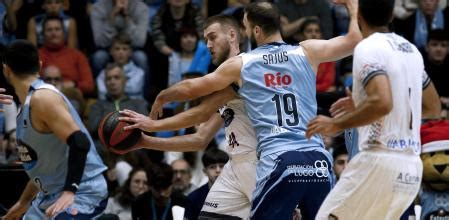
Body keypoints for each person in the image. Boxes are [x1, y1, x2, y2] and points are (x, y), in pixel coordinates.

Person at [143, 1, 361, 218]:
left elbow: (193, 90)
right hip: (317, 159)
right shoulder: (307, 50)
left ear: (256, 30)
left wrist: (162, 97)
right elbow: (354, 40)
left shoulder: (243, 64)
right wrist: (353, 8)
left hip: (277, 159)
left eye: (246, 27)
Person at [305, 0, 439, 219]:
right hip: (411, 169)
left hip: (379, 161)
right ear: (391, 17)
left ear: (359, 18)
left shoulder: (367, 48)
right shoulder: (411, 51)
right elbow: (433, 107)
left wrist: (335, 123)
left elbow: (381, 102)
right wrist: (362, 105)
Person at [119, 14, 259, 219]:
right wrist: (145, 141)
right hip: (238, 167)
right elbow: (199, 139)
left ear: (231, 35)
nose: (208, 45)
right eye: (206, 40)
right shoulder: (230, 87)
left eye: (212, 37)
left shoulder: (245, 66)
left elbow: (196, 104)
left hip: (261, 164)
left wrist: (159, 102)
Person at [2, 40, 108, 219]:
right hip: (47, 196)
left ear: (6, 70)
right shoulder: (26, 106)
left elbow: (80, 141)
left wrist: (69, 191)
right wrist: (23, 203)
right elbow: (44, 167)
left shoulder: (43, 98)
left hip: (83, 192)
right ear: (40, 66)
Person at [184, 148, 228, 220]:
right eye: (212, 167)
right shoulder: (194, 198)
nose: (218, 170)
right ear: (205, 172)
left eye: (222, 166)